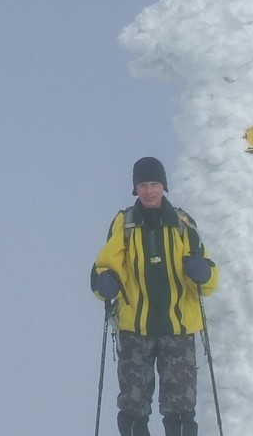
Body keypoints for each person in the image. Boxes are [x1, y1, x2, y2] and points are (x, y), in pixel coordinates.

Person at [91, 156, 219, 436]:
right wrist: (106, 281)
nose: (149, 190)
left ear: (164, 186)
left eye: (155, 184)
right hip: (135, 329)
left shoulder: (183, 224)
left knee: (181, 407)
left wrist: (203, 273)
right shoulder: (124, 224)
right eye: (143, 184)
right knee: (133, 405)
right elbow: (102, 270)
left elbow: (208, 280)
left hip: (179, 328)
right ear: (135, 189)